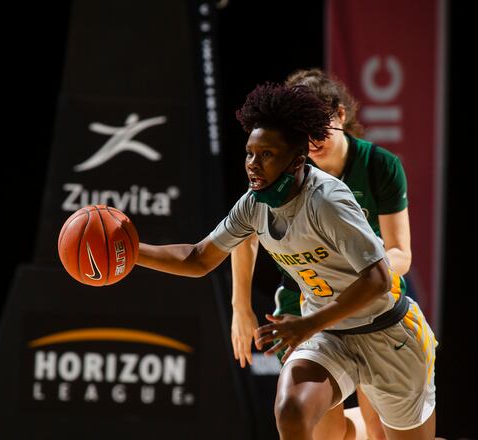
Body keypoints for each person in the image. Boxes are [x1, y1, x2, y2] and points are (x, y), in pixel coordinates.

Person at [137, 83, 437, 440]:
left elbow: (377, 280)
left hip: (387, 333)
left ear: (296, 159)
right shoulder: (253, 204)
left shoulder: (327, 200)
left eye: (266, 154)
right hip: (329, 336)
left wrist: (307, 324)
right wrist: (129, 252)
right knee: (291, 412)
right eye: (249, 153)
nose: (253, 164)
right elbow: (199, 258)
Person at [230, 68, 413, 440]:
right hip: (305, 305)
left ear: (341, 115)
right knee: (323, 432)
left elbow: (399, 253)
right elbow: (244, 233)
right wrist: (240, 307)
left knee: (381, 431)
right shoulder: (289, 165)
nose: (313, 141)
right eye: (303, 133)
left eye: (320, 127)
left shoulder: (379, 166)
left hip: (369, 307)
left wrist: (359, 273)